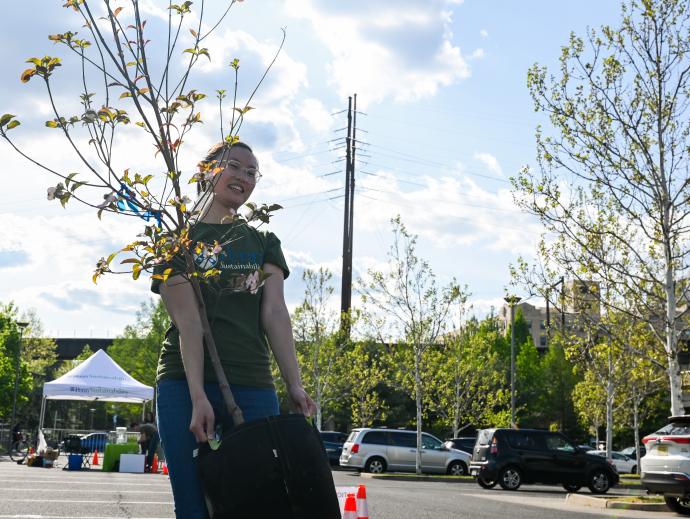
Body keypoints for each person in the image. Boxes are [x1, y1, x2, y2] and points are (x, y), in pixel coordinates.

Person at [152, 141, 316, 519]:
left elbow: (275, 313)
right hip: (183, 385)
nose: (244, 177)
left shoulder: (262, 243)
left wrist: (294, 384)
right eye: (235, 167)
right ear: (207, 171)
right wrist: (197, 397)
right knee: (193, 506)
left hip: (253, 384)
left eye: (252, 172)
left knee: (256, 504)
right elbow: (188, 323)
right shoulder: (176, 243)